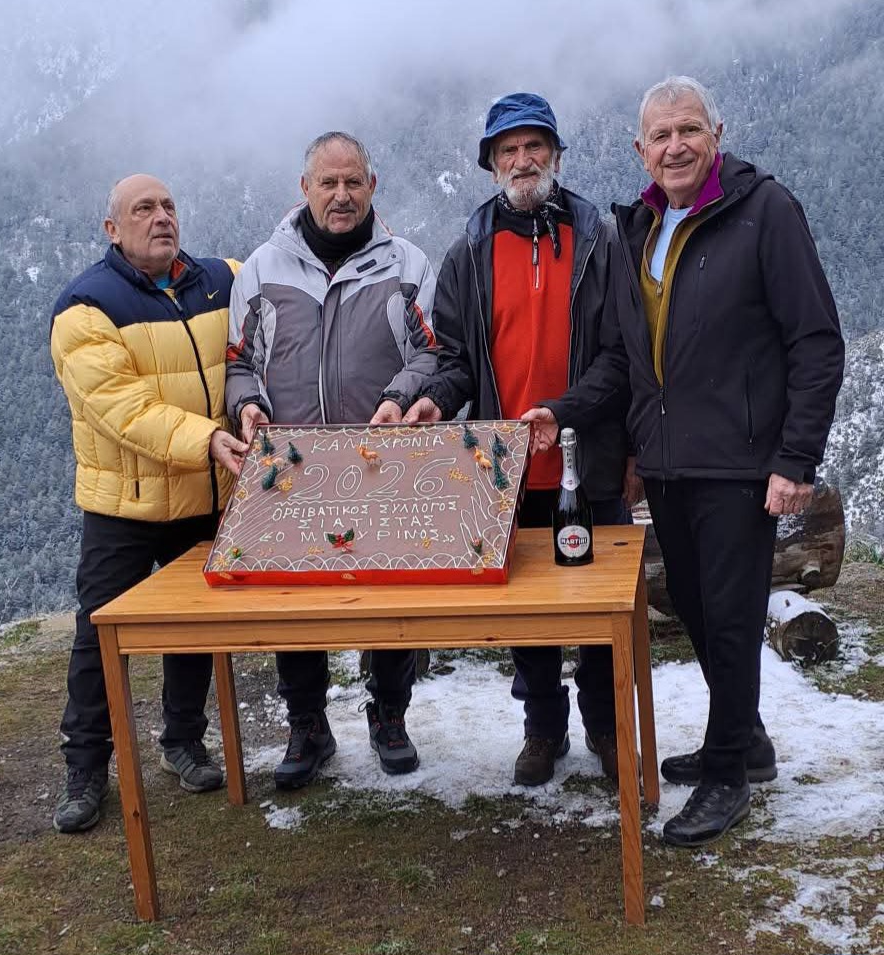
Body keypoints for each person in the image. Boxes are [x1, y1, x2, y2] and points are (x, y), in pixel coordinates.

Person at [524, 76, 844, 845]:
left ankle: (729, 774)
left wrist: (796, 459)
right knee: (699, 610)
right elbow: (622, 358)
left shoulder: (766, 211)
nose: (676, 146)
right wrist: (563, 410)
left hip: (740, 463)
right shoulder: (639, 229)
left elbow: (815, 342)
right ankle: (747, 739)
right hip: (668, 465)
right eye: (661, 135)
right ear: (641, 150)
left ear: (716, 135)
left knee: (730, 619)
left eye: (689, 130)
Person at [402, 93, 635, 787]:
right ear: (491, 164)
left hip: (590, 462)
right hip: (504, 470)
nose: (523, 160)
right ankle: (542, 728)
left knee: (599, 608)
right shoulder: (469, 252)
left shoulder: (600, 241)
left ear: (556, 155)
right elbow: (456, 361)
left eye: (535, 146)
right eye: (509, 150)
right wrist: (433, 400)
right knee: (526, 614)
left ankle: (606, 725)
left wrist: (562, 411)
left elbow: (620, 356)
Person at [226, 131, 438, 789]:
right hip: (293, 471)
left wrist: (401, 396)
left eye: (353, 182)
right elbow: (240, 361)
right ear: (305, 188)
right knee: (294, 602)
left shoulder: (406, 264)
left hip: (385, 464)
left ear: (372, 187)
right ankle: (307, 724)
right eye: (328, 182)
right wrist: (246, 405)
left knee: (391, 594)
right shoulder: (262, 269)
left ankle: (390, 714)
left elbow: (434, 353)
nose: (341, 195)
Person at [50, 174, 247, 833]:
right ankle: (85, 769)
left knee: (191, 632)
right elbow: (121, 410)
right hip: (125, 509)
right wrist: (208, 438)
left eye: (168, 206)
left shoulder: (221, 279)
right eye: (143, 209)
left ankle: (183, 742)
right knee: (99, 637)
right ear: (113, 229)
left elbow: (271, 306)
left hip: (204, 496)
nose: (161, 217)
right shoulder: (85, 308)